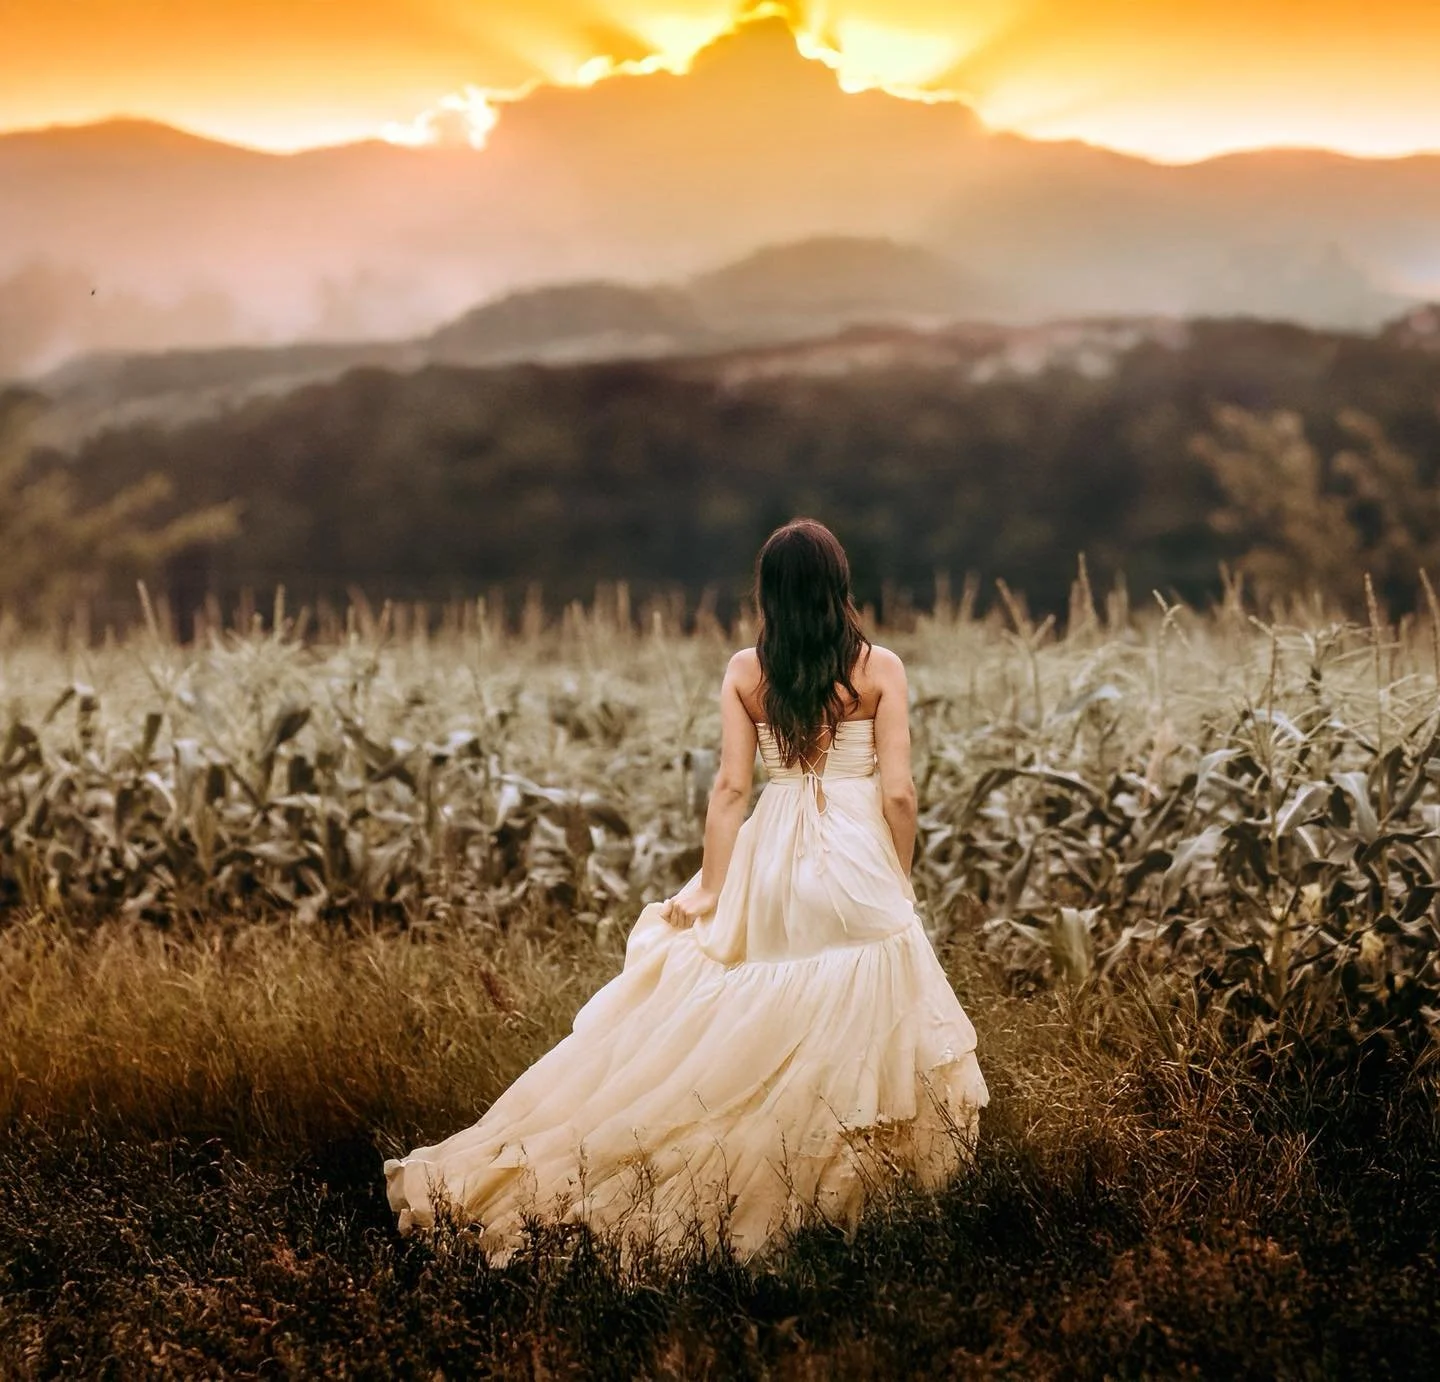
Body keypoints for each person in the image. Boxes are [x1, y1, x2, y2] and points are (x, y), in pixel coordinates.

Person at [384, 518, 989, 1261]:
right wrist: (898, 872)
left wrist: (710, 889)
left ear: (769, 593)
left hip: (774, 850)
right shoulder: (880, 668)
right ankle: (843, 1184)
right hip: (858, 854)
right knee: (860, 1001)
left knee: (759, 1000)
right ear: (839, 584)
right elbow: (898, 793)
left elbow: (731, 789)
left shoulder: (747, 671)